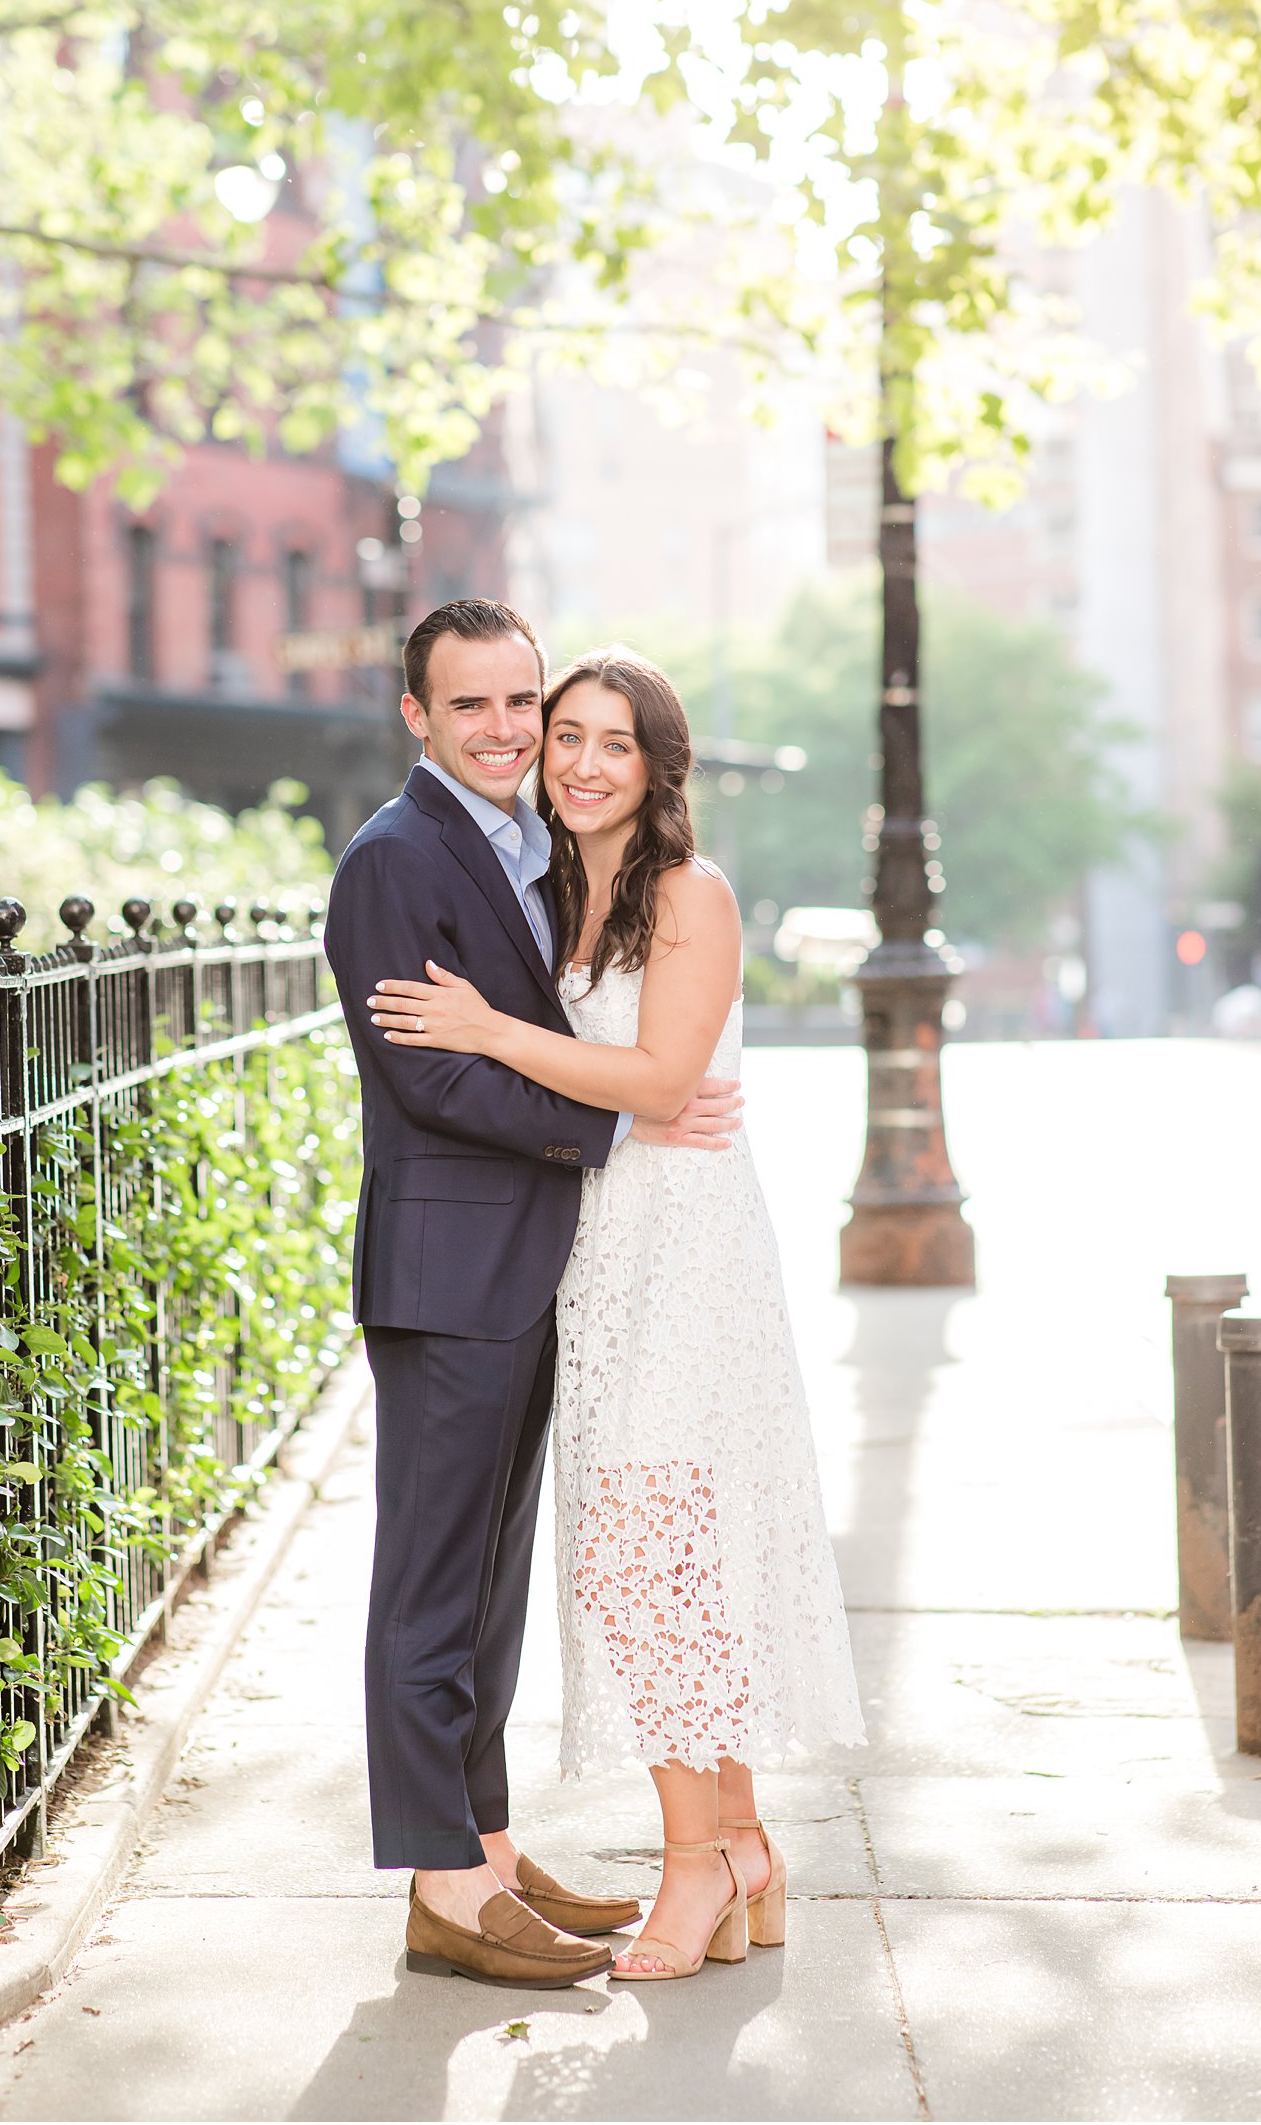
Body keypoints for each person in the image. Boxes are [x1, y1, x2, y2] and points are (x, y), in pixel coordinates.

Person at [367, 646, 865, 1983]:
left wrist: (489, 1027)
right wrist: (536, 1052)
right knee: (661, 1550)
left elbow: (657, 1075)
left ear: (659, 766)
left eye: (611, 742)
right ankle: (747, 1843)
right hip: (592, 1253)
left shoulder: (692, 892)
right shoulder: (552, 883)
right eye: (565, 734)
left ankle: (695, 1868)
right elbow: (625, 1088)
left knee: (656, 1559)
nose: (579, 760)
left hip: (685, 1258)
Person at [323, 601, 744, 1991]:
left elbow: (603, 1028)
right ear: (417, 717)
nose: (508, 731)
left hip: (534, 1267)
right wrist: (620, 1129)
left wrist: (637, 1098)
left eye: (526, 705)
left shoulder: (533, 854)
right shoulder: (394, 858)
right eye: (478, 708)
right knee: (431, 1587)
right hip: (451, 1269)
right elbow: (431, 1074)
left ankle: (489, 1847)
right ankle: (442, 1882)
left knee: (490, 1589)